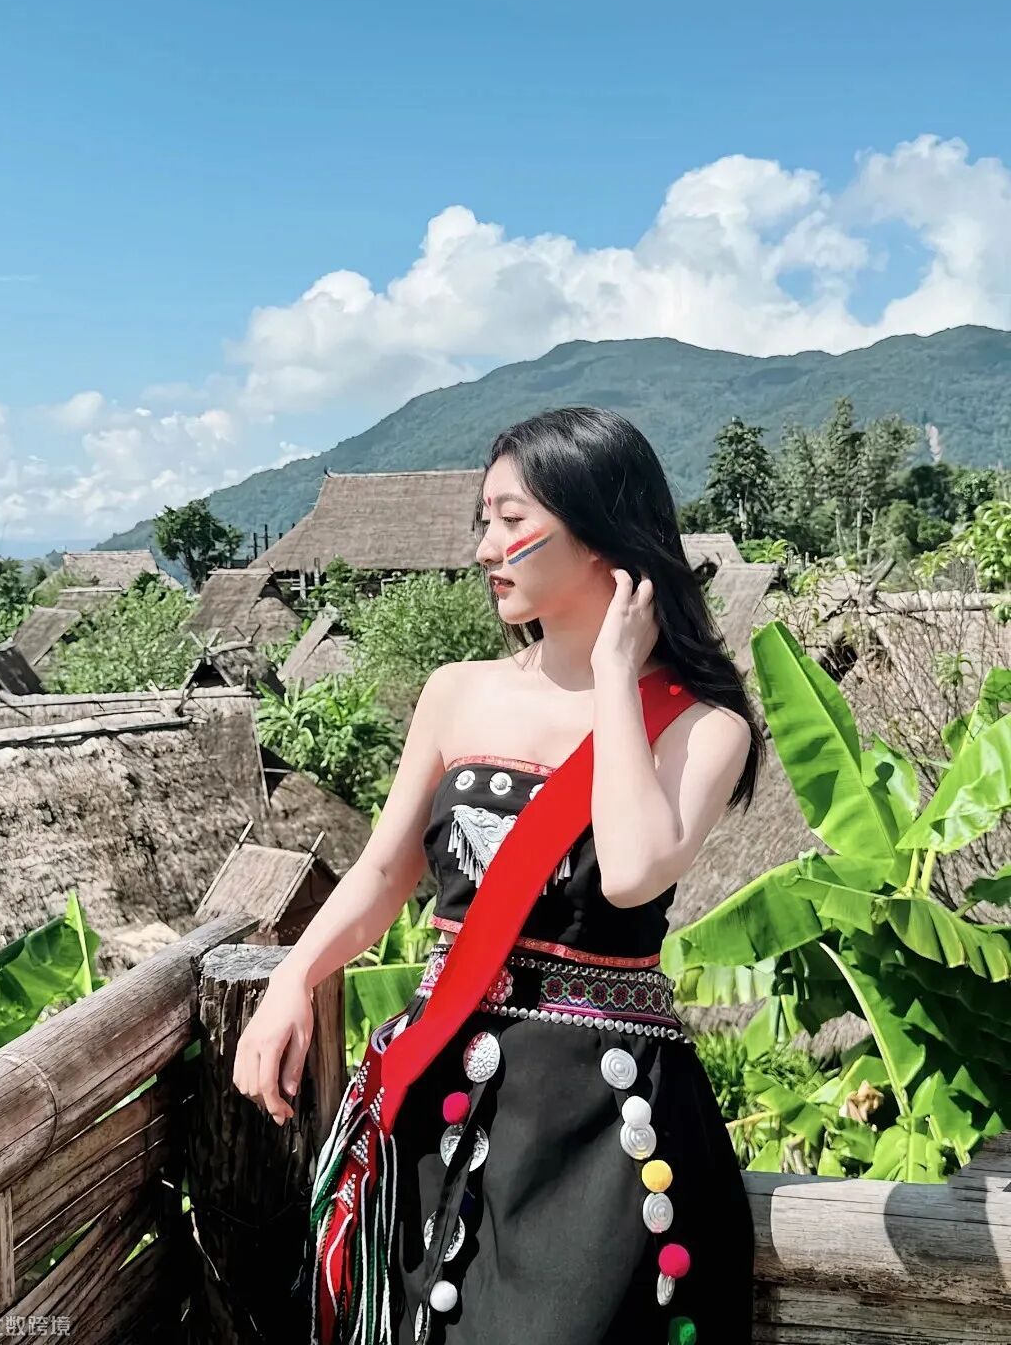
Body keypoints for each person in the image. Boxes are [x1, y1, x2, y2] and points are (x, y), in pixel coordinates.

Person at [233, 405, 763, 1345]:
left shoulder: (703, 724)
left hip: (596, 1127)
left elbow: (633, 871)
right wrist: (292, 977)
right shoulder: (456, 691)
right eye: (484, 521)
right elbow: (385, 870)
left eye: (512, 520)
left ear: (599, 528)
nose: (486, 547)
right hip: (437, 1094)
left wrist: (615, 678)